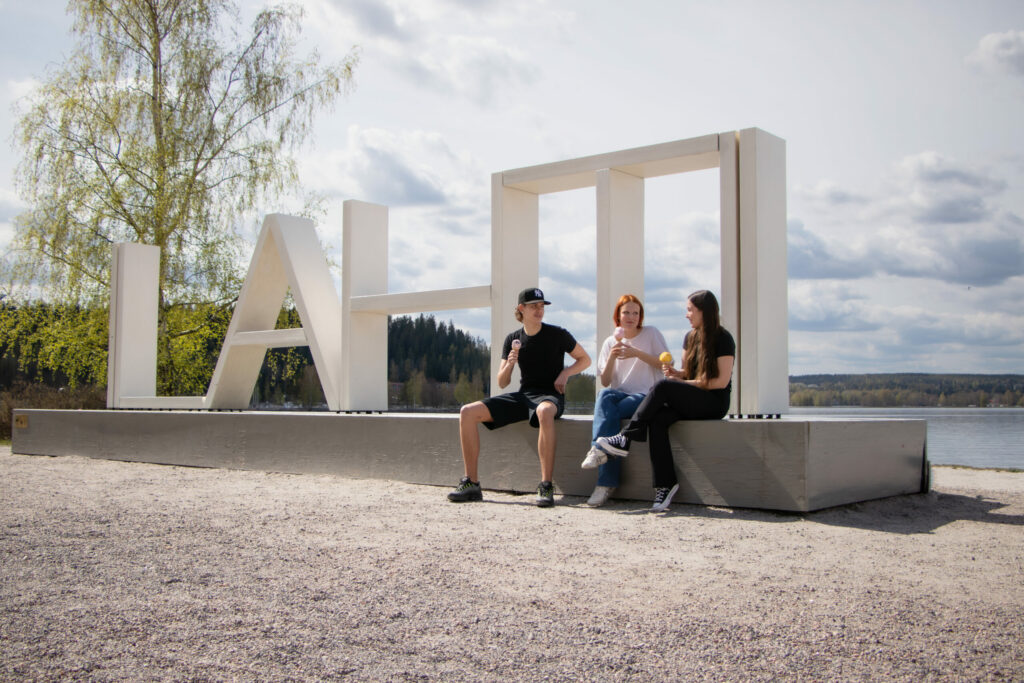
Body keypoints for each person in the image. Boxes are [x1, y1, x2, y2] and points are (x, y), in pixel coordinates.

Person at [448, 287, 591, 507]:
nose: (539, 310)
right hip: (524, 396)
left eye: (542, 306)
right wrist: (511, 363)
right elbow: (502, 382)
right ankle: (471, 483)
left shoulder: (558, 334)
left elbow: (584, 359)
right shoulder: (513, 339)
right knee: (467, 412)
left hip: (551, 397)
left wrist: (565, 373)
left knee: (544, 411)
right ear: (521, 309)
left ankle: (545, 485)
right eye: (534, 306)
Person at [595, 290, 735, 512]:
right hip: (692, 398)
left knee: (661, 386)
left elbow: (720, 382)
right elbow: (689, 373)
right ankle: (665, 484)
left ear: (704, 311)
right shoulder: (690, 337)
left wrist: (680, 384)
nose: (686, 315)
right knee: (657, 420)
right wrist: (676, 374)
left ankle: (624, 438)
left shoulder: (724, 338)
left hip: (713, 403)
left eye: (690, 310)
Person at [580, 294, 669, 507]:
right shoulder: (610, 342)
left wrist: (636, 353)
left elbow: (665, 364)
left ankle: (604, 481)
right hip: (620, 395)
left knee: (609, 410)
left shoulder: (651, 333)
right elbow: (606, 380)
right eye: (626, 312)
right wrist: (612, 355)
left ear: (641, 317)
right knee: (604, 395)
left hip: (647, 396)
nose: (631, 317)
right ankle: (600, 453)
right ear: (617, 317)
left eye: (635, 313)